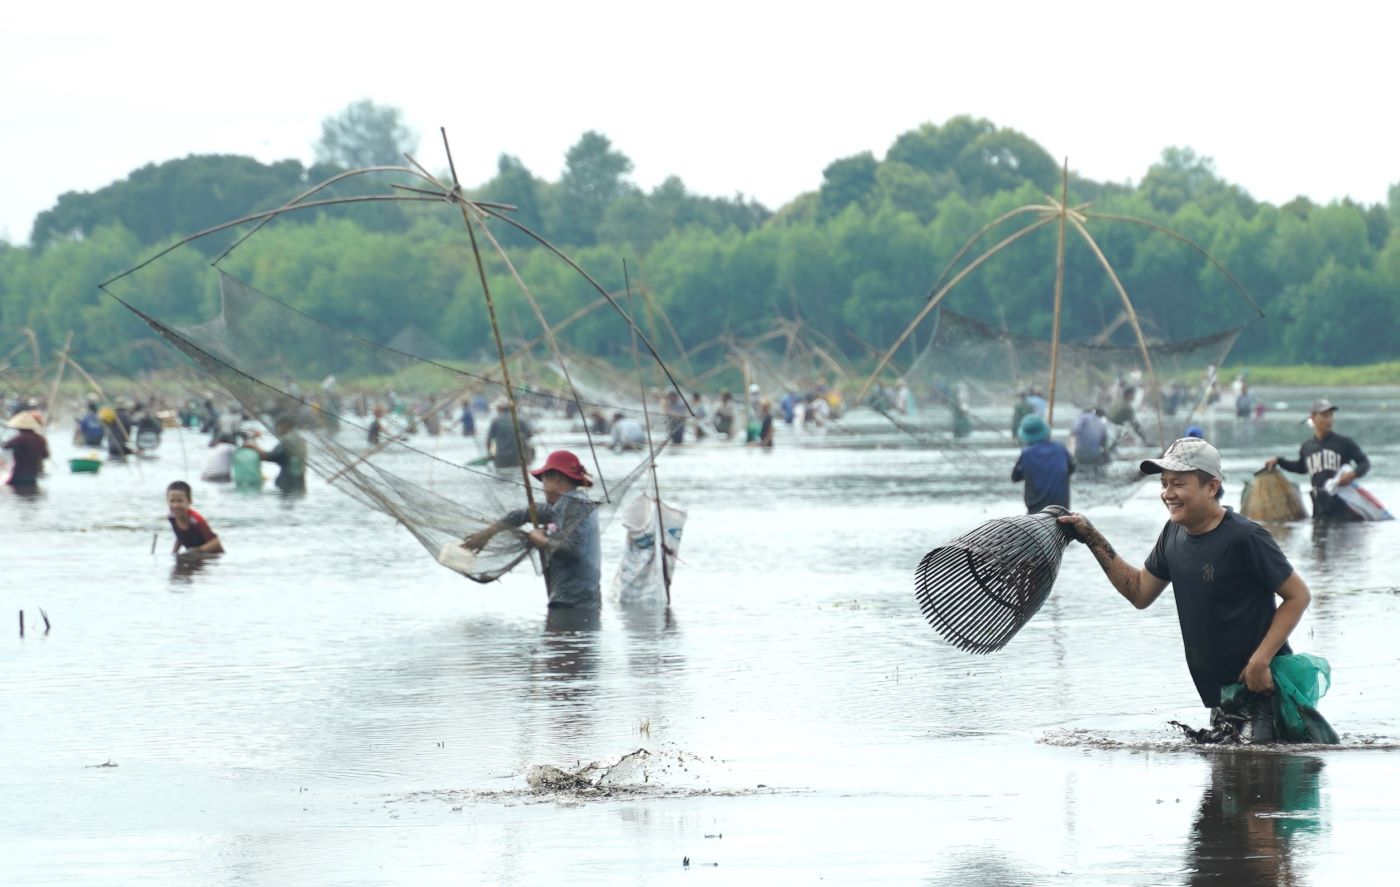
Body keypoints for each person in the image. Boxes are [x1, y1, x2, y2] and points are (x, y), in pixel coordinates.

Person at [1057, 438, 1316, 743]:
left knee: (1254, 776)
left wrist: (1260, 661)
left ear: (1211, 487)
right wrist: (1091, 538)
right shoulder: (1173, 534)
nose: (1168, 494)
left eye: (1179, 484)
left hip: (1261, 697)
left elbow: (1298, 595)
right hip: (1221, 700)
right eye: (1164, 484)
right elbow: (1139, 591)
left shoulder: (1245, 538)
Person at [462, 450, 600, 610]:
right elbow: (522, 515)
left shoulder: (576, 504)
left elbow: (573, 549)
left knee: (560, 634)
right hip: (574, 599)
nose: (543, 487)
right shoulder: (564, 505)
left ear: (556, 478)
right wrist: (486, 534)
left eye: (544, 480)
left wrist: (541, 539)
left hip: (575, 602)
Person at [1265, 399, 1371, 522]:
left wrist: (1353, 474)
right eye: (1325, 416)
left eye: (1331, 416)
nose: (1329, 420)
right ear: (1313, 418)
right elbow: (1301, 468)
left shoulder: (1344, 442)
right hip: (1318, 503)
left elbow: (1364, 463)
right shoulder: (1307, 446)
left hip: (1342, 502)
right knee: (1318, 537)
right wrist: (1279, 461)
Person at [1012, 414, 1074, 513]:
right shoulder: (1060, 448)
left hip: (1036, 512)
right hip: (1062, 510)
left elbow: (1015, 477)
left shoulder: (1027, 453)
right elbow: (1071, 468)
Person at [166, 480, 224, 555]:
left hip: (211, 556)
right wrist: (174, 553)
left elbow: (215, 542)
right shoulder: (172, 518)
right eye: (172, 501)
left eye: (180, 501)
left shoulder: (196, 520)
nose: (176, 505)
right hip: (194, 555)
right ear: (167, 501)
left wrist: (197, 550)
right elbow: (181, 537)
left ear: (189, 501)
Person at [254, 417, 307, 493]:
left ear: (285, 426)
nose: (277, 430)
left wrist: (255, 447)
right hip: (300, 480)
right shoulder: (301, 440)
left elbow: (272, 456)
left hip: (288, 480)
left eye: (278, 427)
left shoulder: (286, 439)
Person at [486, 398, 534, 470]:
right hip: (517, 457)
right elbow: (530, 434)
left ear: (499, 409)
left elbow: (489, 441)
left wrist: (490, 455)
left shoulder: (495, 421)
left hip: (501, 457)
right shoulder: (519, 419)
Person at [3, 411, 49, 487]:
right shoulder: (40, 439)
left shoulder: (19, 439)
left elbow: (5, 446)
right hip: (33, 475)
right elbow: (46, 455)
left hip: (19, 474)